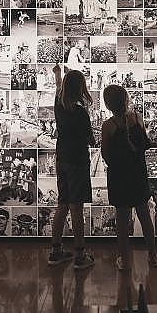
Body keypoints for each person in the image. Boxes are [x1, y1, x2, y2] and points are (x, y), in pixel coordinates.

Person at [100, 84, 157, 270]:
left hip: (119, 176)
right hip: (138, 173)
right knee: (144, 215)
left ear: (108, 105)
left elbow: (105, 154)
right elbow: (144, 143)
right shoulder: (137, 118)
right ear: (126, 100)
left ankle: (123, 260)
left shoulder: (108, 126)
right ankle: (153, 255)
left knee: (122, 220)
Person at [48, 65, 96, 270]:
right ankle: (80, 255)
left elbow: (59, 88)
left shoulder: (59, 105)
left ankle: (56, 252)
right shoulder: (80, 113)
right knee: (77, 207)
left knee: (63, 204)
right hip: (77, 161)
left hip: (62, 159)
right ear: (81, 90)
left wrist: (57, 75)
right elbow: (90, 139)